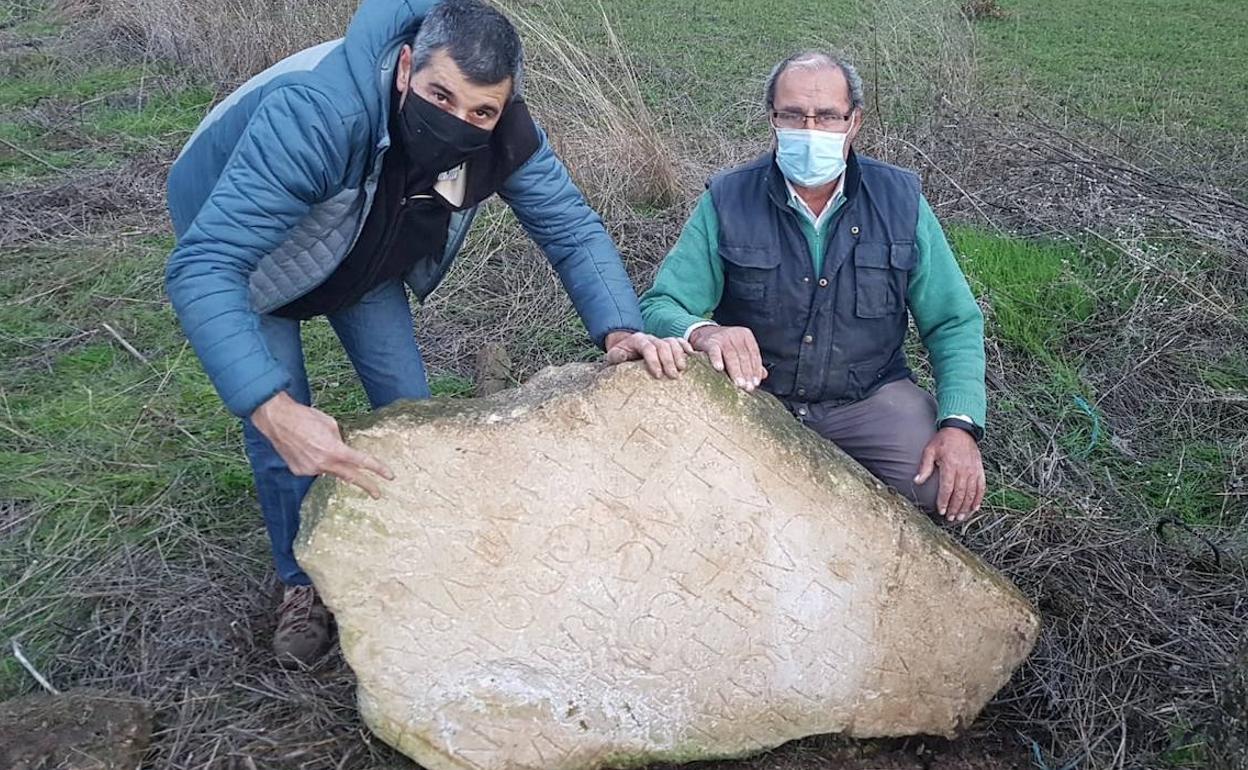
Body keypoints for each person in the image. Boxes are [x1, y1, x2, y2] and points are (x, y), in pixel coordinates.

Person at [165, 0, 690, 664]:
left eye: (481, 111)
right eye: (441, 96)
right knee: (282, 422)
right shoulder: (319, 115)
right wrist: (269, 406)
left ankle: (415, 545)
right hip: (249, 247)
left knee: (409, 404)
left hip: (364, 244)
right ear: (407, 66)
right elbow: (208, 264)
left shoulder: (507, 136)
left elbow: (570, 228)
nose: (457, 122)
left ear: (504, 105)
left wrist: (619, 330)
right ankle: (301, 583)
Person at [640, 51, 987, 525]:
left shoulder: (901, 202)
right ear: (772, 119)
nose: (809, 130)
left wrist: (960, 424)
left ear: (853, 121)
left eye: (826, 116)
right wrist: (705, 333)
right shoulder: (728, 199)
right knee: (691, 489)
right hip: (755, 396)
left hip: (868, 398)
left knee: (939, 486)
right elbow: (661, 304)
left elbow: (954, 321)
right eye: (792, 115)